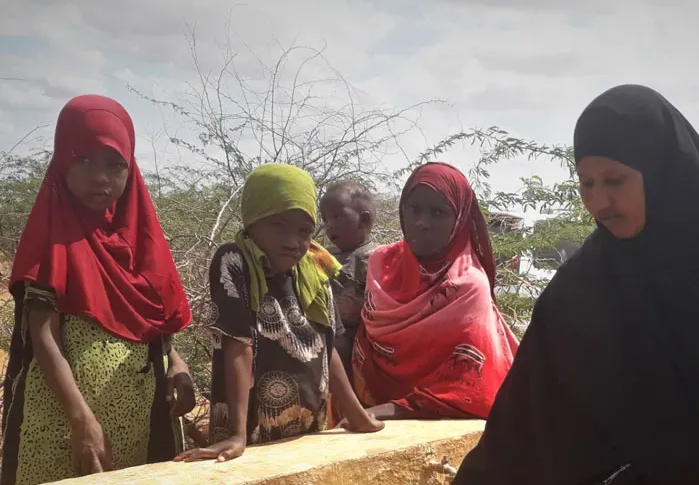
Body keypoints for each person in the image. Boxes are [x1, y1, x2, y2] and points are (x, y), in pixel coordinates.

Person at [454, 84, 699, 485]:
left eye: (615, 181)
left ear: (661, 173)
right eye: (586, 183)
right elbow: (519, 434)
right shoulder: (580, 291)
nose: (599, 203)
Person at [2, 95, 196, 485]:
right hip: (62, 421)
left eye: (115, 164)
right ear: (62, 160)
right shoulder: (53, 237)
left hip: (139, 415)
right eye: (84, 160)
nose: (101, 177)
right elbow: (43, 335)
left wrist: (177, 362)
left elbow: (151, 320)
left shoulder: (140, 241)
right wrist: (81, 421)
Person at [175, 164, 384, 463]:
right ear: (252, 221)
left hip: (308, 427)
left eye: (304, 231)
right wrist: (237, 434)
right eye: (278, 226)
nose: (293, 242)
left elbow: (328, 346)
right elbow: (238, 344)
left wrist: (355, 414)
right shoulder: (235, 261)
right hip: (250, 430)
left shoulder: (314, 266)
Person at [342, 162, 519, 425]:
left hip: (422, 419)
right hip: (360, 408)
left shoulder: (467, 285)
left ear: (459, 219)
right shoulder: (381, 264)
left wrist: (391, 409)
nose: (422, 222)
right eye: (414, 209)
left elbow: (467, 382)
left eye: (439, 212)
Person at [319, 180, 377, 382]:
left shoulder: (373, 258)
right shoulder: (323, 256)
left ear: (363, 220)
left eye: (337, 216)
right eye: (325, 219)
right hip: (328, 340)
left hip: (360, 345)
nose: (329, 224)